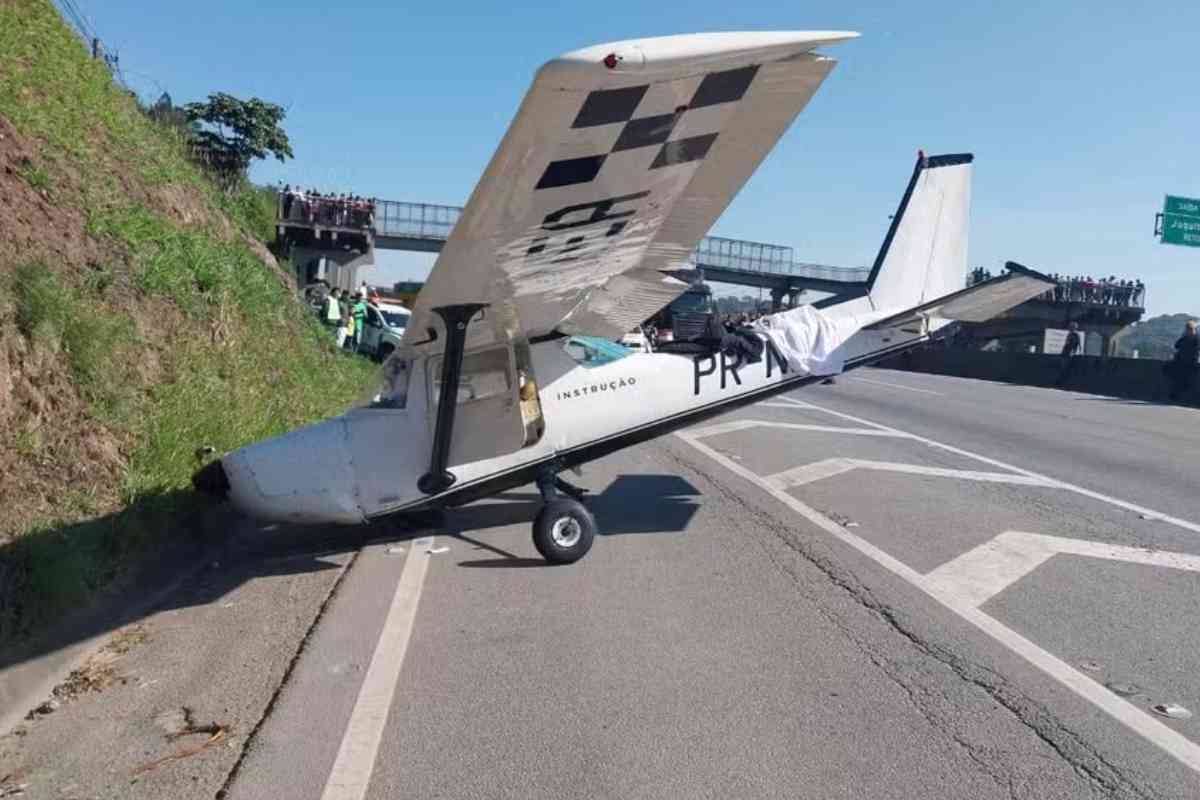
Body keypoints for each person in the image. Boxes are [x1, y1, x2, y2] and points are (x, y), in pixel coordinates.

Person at [1166, 320, 1199, 403]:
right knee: (1174, 375)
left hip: (1190, 363)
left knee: (1185, 379)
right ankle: (1175, 395)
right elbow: (1176, 345)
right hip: (1181, 362)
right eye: (1188, 329)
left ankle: (1177, 396)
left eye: (1190, 329)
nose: (1189, 331)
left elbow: (1197, 349)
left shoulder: (1197, 338)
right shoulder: (1184, 338)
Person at [1056, 321, 1081, 386]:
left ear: (1074, 327)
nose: (1069, 328)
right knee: (1062, 367)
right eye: (1070, 326)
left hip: (1069, 353)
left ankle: (1062, 382)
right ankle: (1060, 381)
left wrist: (1073, 352)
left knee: (1065, 368)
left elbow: (1077, 344)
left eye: (1071, 327)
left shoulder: (1075, 334)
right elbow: (1067, 343)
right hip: (1065, 352)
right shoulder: (1070, 334)